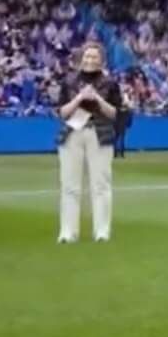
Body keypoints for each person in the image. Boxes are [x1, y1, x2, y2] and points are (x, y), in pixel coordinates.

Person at [57, 43, 124, 245]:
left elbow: (114, 112)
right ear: (81, 58)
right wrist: (79, 97)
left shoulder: (110, 84)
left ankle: (102, 231)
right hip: (73, 133)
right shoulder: (69, 81)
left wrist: (97, 99)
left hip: (99, 133)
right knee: (70, 186)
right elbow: (63, 112)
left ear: (101, 61)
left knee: (101, 185)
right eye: (87, 56)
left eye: (95, 57)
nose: (90, 60)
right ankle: (68, 232)